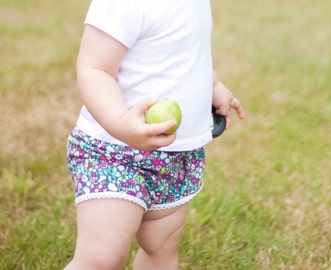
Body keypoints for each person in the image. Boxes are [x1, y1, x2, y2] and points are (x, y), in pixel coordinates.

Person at [65, 0, 245, 269]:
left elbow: (185, 53)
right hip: (115, 152)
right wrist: (121, 122)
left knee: (161, 248)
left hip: (177, 158)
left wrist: (213, 84)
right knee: (102, 257)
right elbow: (94, 69)